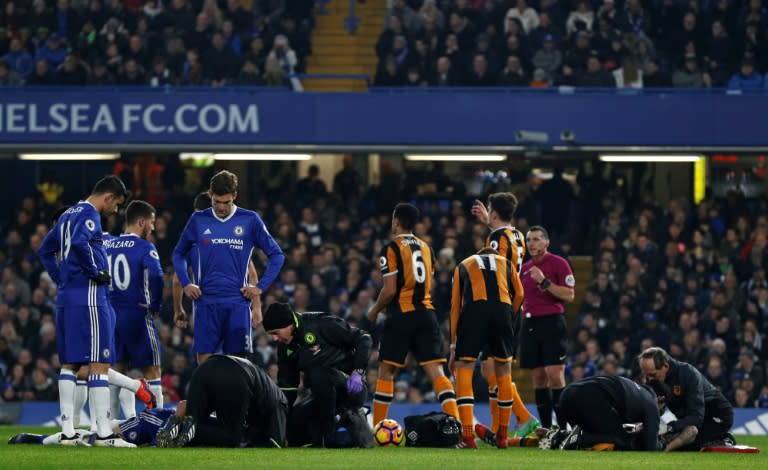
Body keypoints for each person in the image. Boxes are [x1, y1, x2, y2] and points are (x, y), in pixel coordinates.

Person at [38, 175, 142, 447]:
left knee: (70, 364)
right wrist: (95, 272)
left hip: (66, 298)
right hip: (90, 297)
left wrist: (60, 278)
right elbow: (82, 244)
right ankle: (105, 435)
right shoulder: (89, 215)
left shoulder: (66, 215)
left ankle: (68, 431)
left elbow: (44, 249)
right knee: (99, 362)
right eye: (117, 205)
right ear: (108, 197)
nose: (116, 211)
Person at [172, 171, 284, 364]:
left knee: (238, 364)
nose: (221, 207)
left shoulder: (250, 219)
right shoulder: (198, 219)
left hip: (238, 303)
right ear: (210, 194)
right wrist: (186, 283)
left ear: (235, 196)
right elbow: (178, 253)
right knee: (205, 364)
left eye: (226, 202)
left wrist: (260, 288)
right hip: (205, 302)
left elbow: (277, 255)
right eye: (217, 202)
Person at [367, 203, 460, 426]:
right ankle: (456, 425)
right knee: (437, 373)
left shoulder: (390, 248)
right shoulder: (427, 248)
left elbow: (389, 290)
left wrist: (374, 310)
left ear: (397, 220)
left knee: (386, 371)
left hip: (401, 315)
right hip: (427, 314)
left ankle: (379, 429)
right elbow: (430, 280)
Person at [471, 192, 540, 438]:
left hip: (501, 307)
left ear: (496, 212)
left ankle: (519, 419)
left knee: (495, 370)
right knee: (490, 370)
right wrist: (489, 219)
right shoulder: (518, 235)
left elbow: (496, 272)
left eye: (491, 210)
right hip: (514, 307)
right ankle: (508, 423)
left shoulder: (496, 238)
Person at [263, 302, 373, 447]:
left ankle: (327, 438)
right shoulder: (285, 348)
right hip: (322, 397)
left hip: (351, 389)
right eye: (271, 335)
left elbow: (364, 338)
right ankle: (332, 429)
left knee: (319, 372)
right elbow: (288, 388)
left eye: (276, 333)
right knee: (292, 425)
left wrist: (358, 372)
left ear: (289, 324)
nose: (274, 339)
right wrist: (281, 419)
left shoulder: (321, 324)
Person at [448, 247, 524, 448]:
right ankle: (503, 435)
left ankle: (467, 436)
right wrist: (510, 315)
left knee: (464, 367)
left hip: (474, 311)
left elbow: (455, 306)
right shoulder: (506, 264)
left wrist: (453, 345)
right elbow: (520, 295)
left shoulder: (464, 264)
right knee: (504, 370)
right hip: (503, 309)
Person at [105, 200, 165, 418]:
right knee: (153, 371)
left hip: (111, 315)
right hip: (137, 314)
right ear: (141, 222)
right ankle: (158, 424)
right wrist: (156, 304)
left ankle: (109, 426)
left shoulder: (107, 245)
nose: (153, 228)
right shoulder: (145, 247)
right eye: (151, 223)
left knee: (116, 371)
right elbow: (157, 275)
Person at [172, 192, 262, 330]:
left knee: (207, 351)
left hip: (205, 308)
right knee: (234, 351)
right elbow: (252, 274)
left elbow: (178, 279)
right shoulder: (231, 237)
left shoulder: (190, 239)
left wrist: (178, 309)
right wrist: (256, 308)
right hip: (236, 307)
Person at [157, 354, 288, 448]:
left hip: (204, 368)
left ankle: (177, 425)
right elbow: (276, 443)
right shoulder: (281, 402)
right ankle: (187, 431)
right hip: (235, 375)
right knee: (230, 438)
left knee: (193, 424)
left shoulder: (267, 392)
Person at [519, 225, 575, 429]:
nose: (531, 244)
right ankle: (545, 428)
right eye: (528, 240)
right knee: (539, 377)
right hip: (530, 323)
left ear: (546, 242)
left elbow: (569, 295)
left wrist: (544, 282)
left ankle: (562, 428)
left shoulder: (559, 264)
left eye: (535, 239)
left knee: (555, 374)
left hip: (552, 321)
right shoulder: (524, 268)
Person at [639, 347, 735, 451]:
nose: (648, 379)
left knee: (686, 445)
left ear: (665, 366)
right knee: (672, 439)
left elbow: (696, 417)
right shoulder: (656, 378)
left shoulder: (688, 374)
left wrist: (670, 427)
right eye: (646, 375)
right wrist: (658, 408)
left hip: (717, 415)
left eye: (652, 375)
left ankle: (725, 440)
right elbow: (658, 408)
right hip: (691, 419)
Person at [551, 375, 663, 451]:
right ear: (661, 398)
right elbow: (651, 447)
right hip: (589, 398)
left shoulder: (633, 389)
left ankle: (559, 436)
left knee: (598, 433)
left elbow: (618, 422)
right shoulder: (651, 401)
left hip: (567, 394)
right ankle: (580, 438)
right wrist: (663, 444)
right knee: (621, 439)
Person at [9, 403, 187, 447]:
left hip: (147, 424)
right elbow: (184, 404)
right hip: (148, 422)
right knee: (95, 439)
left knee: (97, 435)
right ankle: (36, 439)